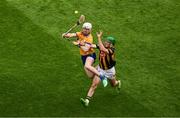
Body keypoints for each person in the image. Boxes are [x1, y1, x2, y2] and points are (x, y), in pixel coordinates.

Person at [80, 31, 121, 107]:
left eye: (107, 42)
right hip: (100, 69)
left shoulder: (111, 50)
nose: (105, 42)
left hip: (110, 71)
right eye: (105, 41)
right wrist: (82, 43)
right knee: (94, 85)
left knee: (113, 84)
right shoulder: (104, 46)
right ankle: (87, 101)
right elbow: (93, 45)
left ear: (111, 44)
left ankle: (118, 82)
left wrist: (99, 37)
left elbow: (103, 49)